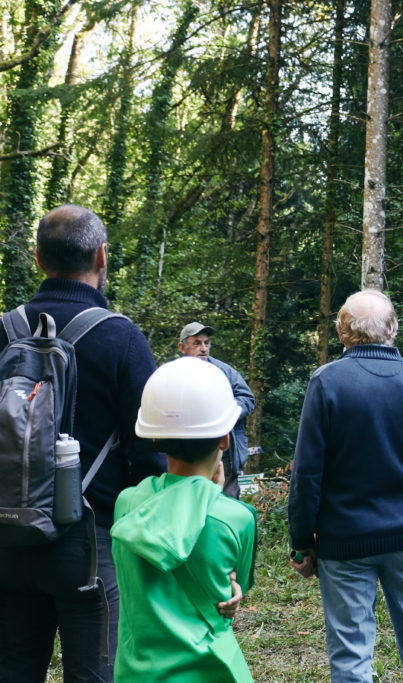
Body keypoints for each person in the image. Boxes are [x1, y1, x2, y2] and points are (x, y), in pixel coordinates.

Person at [0, 205, 165, 681]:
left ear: (37, 258)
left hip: (7, 536)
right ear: (102, 255)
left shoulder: (4, 330)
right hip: (89, 545)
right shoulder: (121, 337)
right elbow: (150, 454)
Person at [288, 290, 403, 683]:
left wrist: (302, 540)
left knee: (351, 656)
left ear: (341, 331)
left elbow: (306, 475)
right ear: (394, 329)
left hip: (343, 540)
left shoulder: (327, 382)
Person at [112, 357, 258, 681]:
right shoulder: (237, 518)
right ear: (225, 439)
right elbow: (234, 590)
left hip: (137, 674)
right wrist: (211, 492)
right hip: (211, 672)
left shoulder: (127, 504)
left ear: (154, 438)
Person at [177, 321, 255, 498]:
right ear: (182, 347)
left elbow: (247, 399)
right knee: (189, 498)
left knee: (226, 501)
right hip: (185, 450)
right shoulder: (171, 373)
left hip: (223, 451)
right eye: (197, 343)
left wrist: (225, 412)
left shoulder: (225, 371)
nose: (203, 348)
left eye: (206, 343)